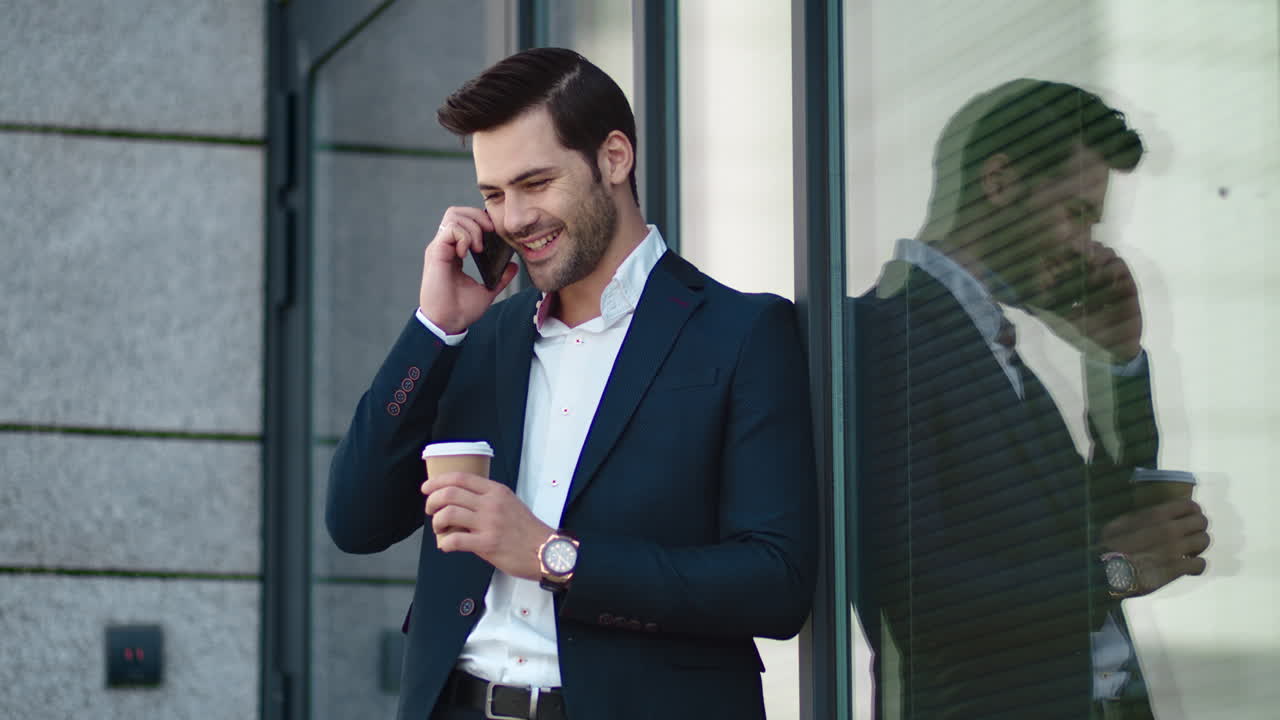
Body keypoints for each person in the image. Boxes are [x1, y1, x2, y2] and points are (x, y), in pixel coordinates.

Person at [326, 47, 818, 720]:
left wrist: (554, 556)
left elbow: (775, 585)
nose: (514, 219)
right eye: (494, 195)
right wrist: (434, 329)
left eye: (535, 183)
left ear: (614, 158)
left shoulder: (742, 332)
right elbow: (355, 520)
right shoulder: (478, 340)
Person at [854, 80, 1211, 719]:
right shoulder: (886, 335)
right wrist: (1116, 572)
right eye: (1076, 213)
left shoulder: (986, 341)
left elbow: (1096, 523)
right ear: (999, 182)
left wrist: (1118, 359)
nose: (1085, 247)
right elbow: (921, 594)